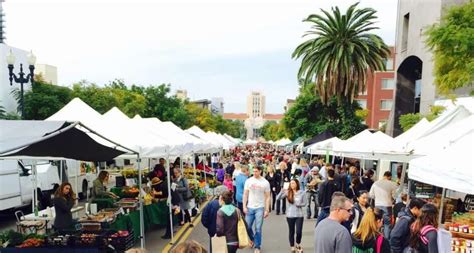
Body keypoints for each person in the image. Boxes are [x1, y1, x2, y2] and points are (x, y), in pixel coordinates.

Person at [243, 165, 271, 253]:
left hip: (260, 207)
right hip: (250, 207)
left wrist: (267, 209)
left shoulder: (265, 182)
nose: (254, 173)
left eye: (256, 171)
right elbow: (245, 194)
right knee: (247, 227)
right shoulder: (248, 181)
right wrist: (244, 206)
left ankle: (257, 247)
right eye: (253, 171)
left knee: (258, 228)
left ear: (260, 171)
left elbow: (267, 197)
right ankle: (253, 239)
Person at [276, 179, 306, 252]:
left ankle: (298, 244)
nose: (292, 185)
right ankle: (292, 246)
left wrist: (299, 204)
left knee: (299, 231)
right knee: (291, 231)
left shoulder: (302, 192)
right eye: (291, 183)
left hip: (299, 215)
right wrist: (281, 191)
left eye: (293, 183)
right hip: (290, 215)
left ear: (297, 184)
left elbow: (305, 203)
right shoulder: (287, 192)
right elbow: (278, 198)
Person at [369, 171, 397, 238]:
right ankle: (385, 240)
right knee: (387, 224)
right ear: (389, 176)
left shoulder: (376, 183)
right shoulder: (392, 184)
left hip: (377, 205)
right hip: (387, 205)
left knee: (377, 221)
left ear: (383, 175)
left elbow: (371, 195)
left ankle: (376, 238)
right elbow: (395, 196)